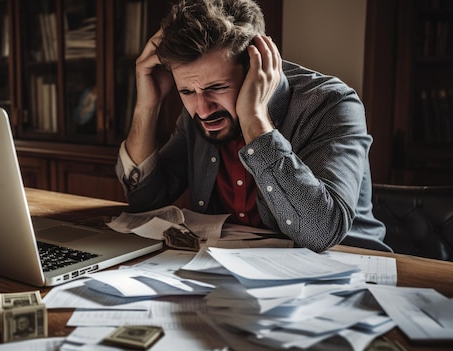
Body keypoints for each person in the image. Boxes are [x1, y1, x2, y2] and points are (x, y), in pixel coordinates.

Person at [115, 0, 390, 252]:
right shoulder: (200, 110)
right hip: (239, 271)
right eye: (186, 91)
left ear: (254, 67)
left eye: (218, 87)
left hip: (349, 270)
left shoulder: (331, 103)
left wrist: (255, 120)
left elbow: (320, 234)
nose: (203, 109)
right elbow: (145, 202)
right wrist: (146, 106)